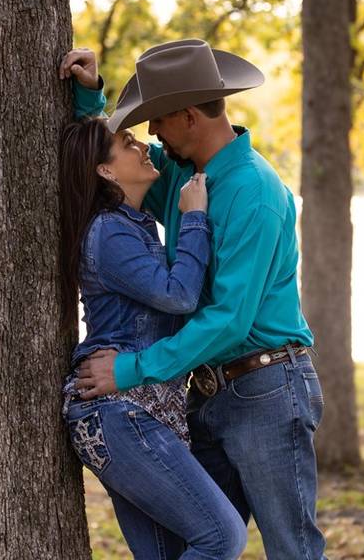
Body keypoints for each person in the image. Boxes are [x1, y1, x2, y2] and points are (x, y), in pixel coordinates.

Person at [67, 39, 327, 560]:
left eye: (156, 122)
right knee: (200, 540)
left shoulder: (253, 192)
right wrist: (90, 98)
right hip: (205, 392)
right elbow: (115, 169)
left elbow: (230, 320)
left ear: (187, 116)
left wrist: (131, 369)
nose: (150, 135)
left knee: (291, 549)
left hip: (266, 386)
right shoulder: (184, 176)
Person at [57, 51, 247, 560]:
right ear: (105, 171)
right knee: (222, 536)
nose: (143, 143)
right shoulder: (110, 232)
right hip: (120, 413)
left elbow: (92, 143)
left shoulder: (132, 223)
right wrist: (195, 218)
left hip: (142, 410)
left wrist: (91, 93)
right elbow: (179, 294)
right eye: (127, 143)